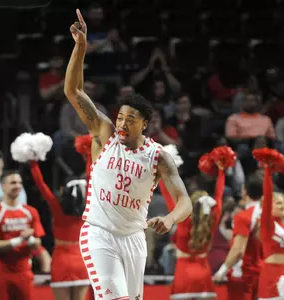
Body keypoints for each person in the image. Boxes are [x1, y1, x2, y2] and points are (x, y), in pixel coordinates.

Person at [64, 10, 192, 300]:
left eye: (130, 120)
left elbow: (184, 200)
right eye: (120, 117)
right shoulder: (104, 133)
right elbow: (73, 91)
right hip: (99, 233)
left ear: (144, 124)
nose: (122, 123)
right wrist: (80, 47)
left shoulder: (158, 157)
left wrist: (171, 219)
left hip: (134, 239)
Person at [159, 152, 226, 300]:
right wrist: (222, 171)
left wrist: (163, 172)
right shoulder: (211, 221)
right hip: (204, 274)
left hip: (184, 274)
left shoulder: (182, 220)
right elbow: (219, 197)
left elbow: (168, 195)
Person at [29, 158, 89, 300]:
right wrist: (89, 155)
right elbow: (91, 177)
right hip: (81, 260)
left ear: (64, 190)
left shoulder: (56, 207)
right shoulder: (87, 207)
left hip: (61, 261)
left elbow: (41, 184)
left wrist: (33, 163)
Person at [0, 170, 46, 300]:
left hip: (24, 271)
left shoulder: (31, 212)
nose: (17, 186)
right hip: (2, 272)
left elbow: (37, 245)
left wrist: (30, 239)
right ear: (3, 186)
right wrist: (20, 240)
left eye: (20, 183)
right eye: (13, 182)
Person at [213, 174, 263, 300]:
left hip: (244, 274)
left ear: (244, 191)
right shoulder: (270, 214)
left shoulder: (244, 217)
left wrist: (222, 270)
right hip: (264, 272)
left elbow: (239, 250)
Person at [255, 154, 284, 300]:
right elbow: (267, 195)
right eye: (279, 203)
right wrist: (268, 172)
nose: (283, 205)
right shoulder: (267, 224)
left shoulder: (282, 225)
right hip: (271, 275)